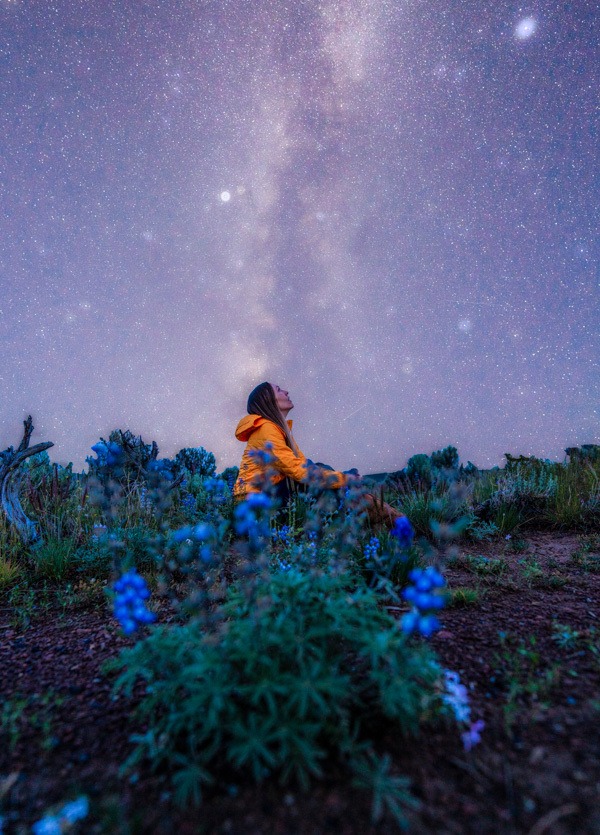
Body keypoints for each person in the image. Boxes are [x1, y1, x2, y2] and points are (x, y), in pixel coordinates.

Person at [233, 381, 404, 528]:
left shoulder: (277, 430)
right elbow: (300, 472)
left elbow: (303, 466)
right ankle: (394, 520)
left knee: (321, 471)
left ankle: (386, 518)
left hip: (266, 499)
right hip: (254, 507)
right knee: (324, 480)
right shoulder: (266, 429)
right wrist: (345, 479)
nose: (286, 392)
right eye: (279, 390)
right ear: (269, 400)